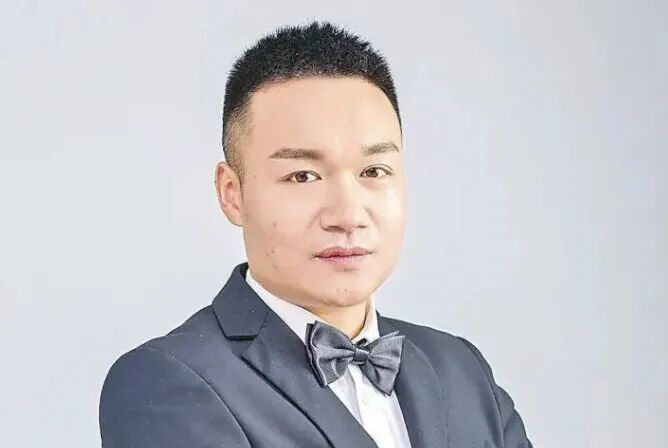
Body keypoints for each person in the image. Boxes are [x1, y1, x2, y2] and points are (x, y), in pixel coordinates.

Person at [99, 20, 533, 448]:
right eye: (303, 176)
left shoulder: (460, 368)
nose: (348, 215)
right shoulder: (166, 382)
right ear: (232, 193)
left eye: (373, 171)